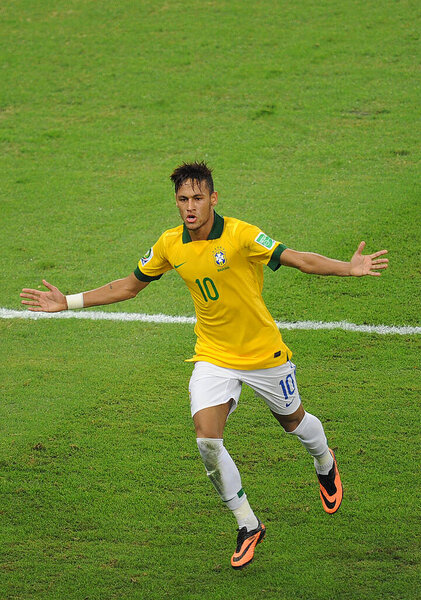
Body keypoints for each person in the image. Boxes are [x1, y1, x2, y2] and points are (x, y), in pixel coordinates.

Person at [20, 161, 389, 569]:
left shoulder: (241, 235)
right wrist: (68, 301)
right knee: (207, 441)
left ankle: (324, 461)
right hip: (213, 355)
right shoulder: (168, 245)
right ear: (176, 202)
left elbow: (299, 259)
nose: (190, 206)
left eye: (198, 198)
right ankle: (248, 523)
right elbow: (128, 286)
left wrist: (348, 267)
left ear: (213, 198)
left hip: (264, 354)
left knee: (295, 423)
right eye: (183, 199)